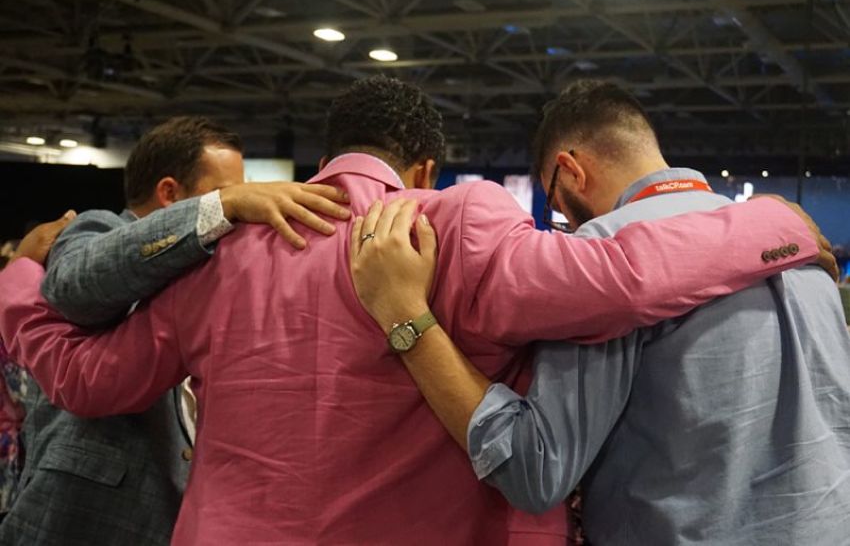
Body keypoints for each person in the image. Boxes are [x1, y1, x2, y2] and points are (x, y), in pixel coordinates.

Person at [0, 76, 833, 545]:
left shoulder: (224, 250)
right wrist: (775, 223)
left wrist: (15, 283)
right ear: (425, 166)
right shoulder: (456, 222)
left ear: (324, 155)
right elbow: (618, 279)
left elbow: (89, 378)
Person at [347, 80, 850, 545]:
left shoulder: (601, 254)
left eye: (554, 203)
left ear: (571, 170)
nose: (561, 220)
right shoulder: (795, 244)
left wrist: (406, 316)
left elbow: (535, 469)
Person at [0, 116, 351, 546]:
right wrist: (221, 208)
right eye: (228, 191)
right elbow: (74, 285)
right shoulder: (98, 227)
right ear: (169, 193)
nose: (246, 204)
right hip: (81, 518)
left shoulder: (213, 266)